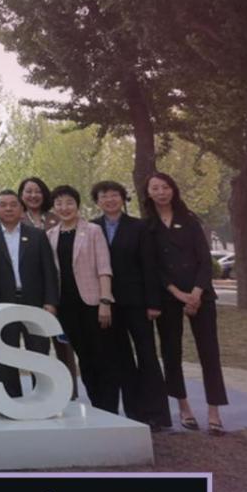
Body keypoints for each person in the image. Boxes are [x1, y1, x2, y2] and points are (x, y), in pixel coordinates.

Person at [145, 171, 227, 435]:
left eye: (165, 186)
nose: (161, 192)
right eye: (155, 188)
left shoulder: (190, 220)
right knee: (171, 352)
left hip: (201, 295)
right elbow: (153, 267)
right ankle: (183, 407)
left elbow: (205, 259)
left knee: (209, 353)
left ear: (173, 189)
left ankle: (214, 411)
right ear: (148, 193)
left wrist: (196, 292)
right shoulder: (147, 227)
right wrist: (178, 294)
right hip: (169, 298)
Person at [90, 180, 171, 429]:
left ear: (123, 199)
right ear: (97, 201)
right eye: (104, 196)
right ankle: (133, 413)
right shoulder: (91, 228)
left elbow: (149, 266)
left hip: (137, 303)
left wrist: (153, 302)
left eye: (115, 195)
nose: (110, 200)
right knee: (120, 358)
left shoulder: (139, 227)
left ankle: (156, 415)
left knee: (147, 356)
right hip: (107, 304)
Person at [0, 190, 59, 398]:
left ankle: (42, 396)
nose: (8, 208)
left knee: (38, 351)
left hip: (34, 302)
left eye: (13, 204)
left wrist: (50, 302)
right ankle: (12, 399)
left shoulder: (37, 235)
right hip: (2, 305)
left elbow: (49, 271)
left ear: (21, 208)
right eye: (3, 204)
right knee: (5, 354)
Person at [47, 185, 115, 412]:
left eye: (69, 202)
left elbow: (104, 267)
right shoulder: (51, 235)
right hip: (66, 307)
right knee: (83, 359)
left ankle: (110, 409)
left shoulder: (93, 230)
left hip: (93, 304)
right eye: (58, 203)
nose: (64, 208)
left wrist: (105, 301)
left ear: (77, 204)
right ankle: (96, 406)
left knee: (102, 357)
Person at [20, 175, 77, 396]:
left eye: (37, 191)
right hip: (32, 292)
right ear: (21, 195)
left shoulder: (57, 217)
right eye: (28, 191)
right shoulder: (16, 219)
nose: (33, 195)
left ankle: (69, 392)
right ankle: (41, 392)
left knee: (64, 344)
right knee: (37, 347)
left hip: (62, 290)